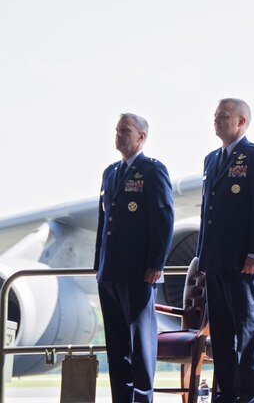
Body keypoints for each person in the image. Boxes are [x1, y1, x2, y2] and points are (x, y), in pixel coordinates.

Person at [196, 98, 254, 403]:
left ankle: (248, 394)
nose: (216, 120)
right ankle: (226, 393)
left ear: (242, 121)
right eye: (215, 116)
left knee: (246, 331)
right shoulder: (212, 159)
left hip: (244, 261)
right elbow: (209, 212)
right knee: (222, 333)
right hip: (216, 259)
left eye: (224, 116)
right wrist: (203, 254)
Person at [94, 113, 174, 402]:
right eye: (117, 130)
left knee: (139, 342)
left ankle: (142, 397)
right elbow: (104, 224)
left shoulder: (152, 171)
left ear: (141, 137)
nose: (118, 135)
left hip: (139, 271)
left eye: (125, 130)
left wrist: (156, 263)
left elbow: (163, 217)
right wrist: (98, 266)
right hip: (110, 272)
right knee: (116, 344)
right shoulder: (110, 173)